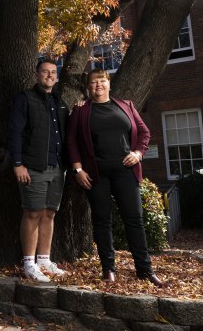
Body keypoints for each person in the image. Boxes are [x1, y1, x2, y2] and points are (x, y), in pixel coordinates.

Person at [66, 68, 164, 287]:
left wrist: (138, 153)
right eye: (93, 82)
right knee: (102, 222)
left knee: (135, 220)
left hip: (125, 172)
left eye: (102, 80)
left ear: (109, 84)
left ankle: (145, 269)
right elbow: (71, 142)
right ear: (88, 87)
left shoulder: (126, 105)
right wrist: (78, 170)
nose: (98, 85)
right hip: (96, 174)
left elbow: (144, 133)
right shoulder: (80, 111)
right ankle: (108, 269)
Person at [8, 60, 69, 282]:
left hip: (57, 167)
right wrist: (17, 164)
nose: (49, 75)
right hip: (32, 167)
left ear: (57, 77)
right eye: (45, 72)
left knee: (49, 213)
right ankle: (29, 264)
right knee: (32, 212)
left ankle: (44, 260)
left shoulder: (60, 102)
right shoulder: (25, 98)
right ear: (37, 74)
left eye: (53, 72)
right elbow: (14, 132)